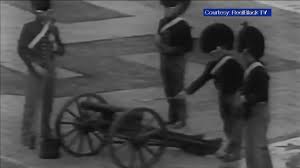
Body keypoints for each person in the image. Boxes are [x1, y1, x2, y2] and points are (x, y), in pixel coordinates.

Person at [177, 23, 244, 161]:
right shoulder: (214, 64)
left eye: (212, 53)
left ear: (220, 48)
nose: (210, 56)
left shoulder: (234, 64)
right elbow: (202, 79)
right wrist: (187, 92)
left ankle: (235, 152)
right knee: (227, 124)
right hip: (223, 97)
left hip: (235, 98)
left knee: (235, 125)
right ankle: (230, 147)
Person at [18, 0, 64, 149]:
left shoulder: (53, 29)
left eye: (46, 12)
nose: (44, 15)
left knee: (47, 105)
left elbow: (62, 50)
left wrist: (56, 45)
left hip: (50, 71)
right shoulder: (29, 28)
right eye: (41, 12)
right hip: (35, 71)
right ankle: (27, 136)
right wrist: (34, 66)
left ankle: (45, 132)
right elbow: (22, 49)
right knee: (31, 105)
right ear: (36, 12)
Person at [235, 24, 273, 168]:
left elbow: (261, 94)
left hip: (258, 114)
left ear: (246, 51)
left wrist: (245, 98)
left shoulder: (258, 71)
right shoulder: (253, 68)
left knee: (254, 149)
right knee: (258, 148)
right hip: (254, 114)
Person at [155, 0, 193, 129]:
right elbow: (158, 38)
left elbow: (188, 46)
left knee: (177, 89)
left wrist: (171, 50)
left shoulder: (183, 26)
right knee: (168, 89)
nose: (167, 10)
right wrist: (160, 45)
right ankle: (172, 118)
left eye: (170, 7)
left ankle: (181, 119)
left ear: (178, 8)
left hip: (177, 61)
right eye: (165, 7)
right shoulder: (162, 22)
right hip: (164, 59)